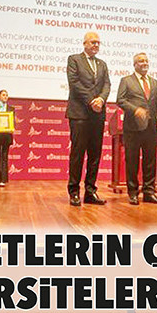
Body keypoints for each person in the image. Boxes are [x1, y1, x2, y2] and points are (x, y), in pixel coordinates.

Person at [66, 32, 110, 206]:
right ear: (84, 43)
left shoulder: (102, 64)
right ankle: (74, 192)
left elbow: (106, 84)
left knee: (95, 155)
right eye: (93, 42)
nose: (96, 45)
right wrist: (92, 100)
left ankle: (90, 192)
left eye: (98, 43)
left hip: (97, 115)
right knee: (77, 154)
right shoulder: (74, 59)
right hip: (80, 114)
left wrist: (101, 99)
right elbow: (74, 83)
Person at [116, 53, 157, 205]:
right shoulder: (126, 80)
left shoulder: (155, 82)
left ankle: (149, 192)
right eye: (141, 61)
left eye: (146, 61)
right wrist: (135, 109)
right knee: (132, 160)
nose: (144, 63)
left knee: (150, 160)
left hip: (151, 127)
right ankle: (133, 192)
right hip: (133, 127)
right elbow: (120, 100)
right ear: (135, 64)